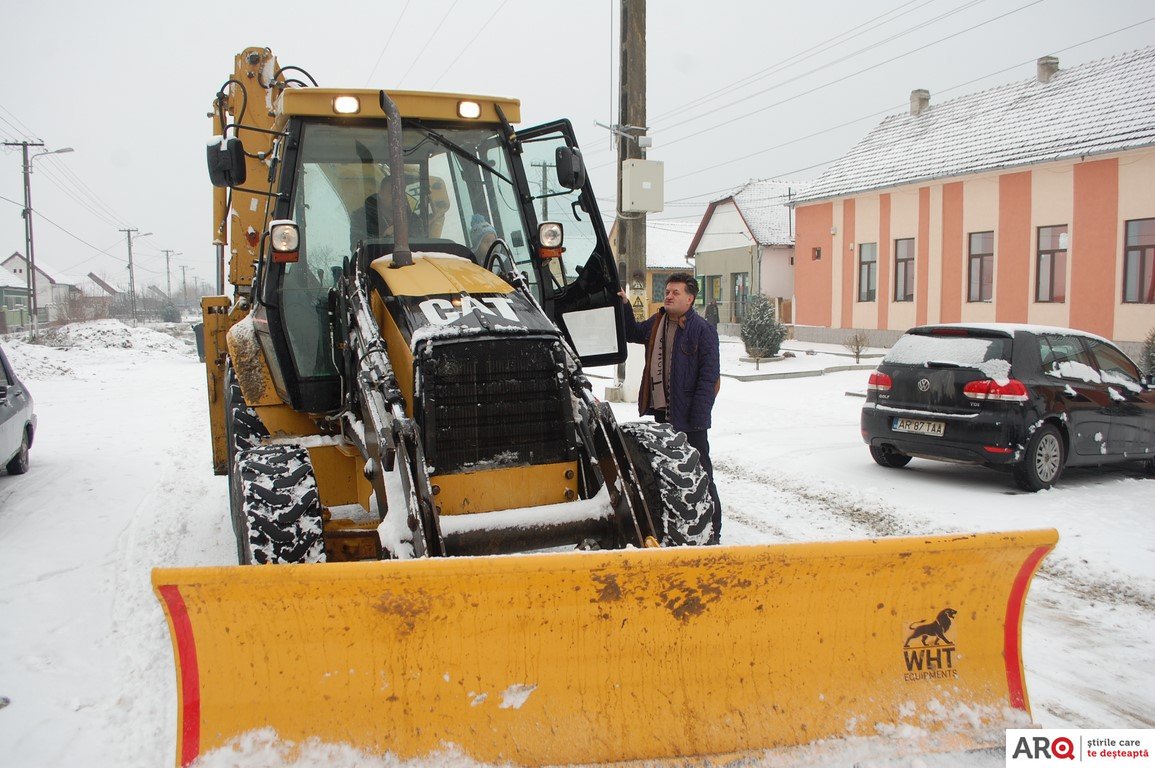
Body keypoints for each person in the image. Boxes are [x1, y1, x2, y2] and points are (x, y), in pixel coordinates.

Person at [620, 272, 723, 544]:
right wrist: (624, 305)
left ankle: (713, 528)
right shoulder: (657, 323)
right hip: (663, 412)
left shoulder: (702, 330)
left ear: (690, 299)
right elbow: (632, 332)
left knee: (700, 473)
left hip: (690, 417)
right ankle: (679, 523)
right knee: (669, 474)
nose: (668, 295)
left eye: (675, 292)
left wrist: (699, 419)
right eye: (667, 291)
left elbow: (709, 377)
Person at [349, 171, 425, 250]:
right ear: (380, 193)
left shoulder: (413, 219)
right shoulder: (360, 218)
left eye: (400, 193)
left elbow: (420, 248)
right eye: (391, 192)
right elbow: (357, 249)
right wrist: (384, 239)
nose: (396, 197)